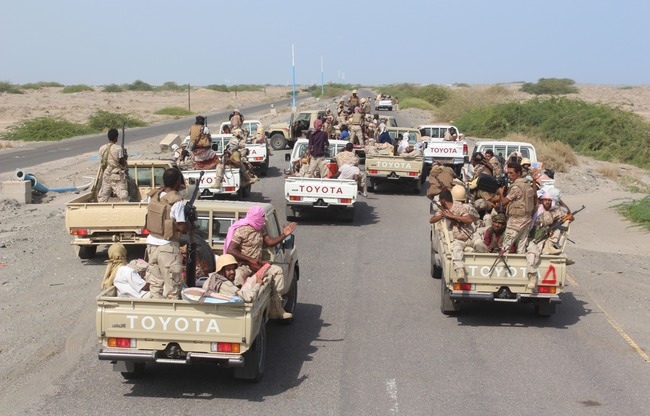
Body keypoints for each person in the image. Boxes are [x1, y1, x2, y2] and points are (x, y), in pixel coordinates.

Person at [225, 205, 297, 319]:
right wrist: (249, 259)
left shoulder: (260, 228)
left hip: (258, 266)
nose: (263, 218)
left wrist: (284, 235)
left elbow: (270, 242)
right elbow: (231, 249)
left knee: (277, 271)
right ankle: (236, 311)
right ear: (255, 217)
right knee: (237, 277)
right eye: (262, 216)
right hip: (245, 265)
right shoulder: (242, 230)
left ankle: (276, 308)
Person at [144, 168, 187, 299]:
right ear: (177, 182)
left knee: (155, 286)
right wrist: (189, 223)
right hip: (167, 247)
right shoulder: (176, 201)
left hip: (151, 244)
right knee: (172, 288)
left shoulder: (153, 196)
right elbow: (182, 227)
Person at [497, 162, 538, 286]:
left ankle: (504, 277)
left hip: (515, 221)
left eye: (511, 173)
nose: (509, 175)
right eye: (508, 173)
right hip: (526, 220)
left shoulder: (516, 187)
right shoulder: (527, 185)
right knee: (521, 249)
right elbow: (535, 198)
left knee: (505, 248)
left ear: (519, 173)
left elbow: (504, 202)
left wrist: (500, 193)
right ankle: (523, 276)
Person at [429, 187, 479, 282]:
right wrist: (442, 215)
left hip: (470, 235)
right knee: (455, 250)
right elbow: (431, 220)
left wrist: (453, 216)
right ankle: (460, 272)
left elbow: (468, 220)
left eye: (440, 200)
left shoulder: (459, 207)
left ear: (443, 200)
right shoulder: (443, 210)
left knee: (479, 244)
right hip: (459, 239)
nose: (440, 202)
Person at [98, 128, 129, 202]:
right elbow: (123, 163)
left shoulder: (102, 148)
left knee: (103, 197)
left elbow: (102, 162)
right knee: (123, 196)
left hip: (106, 175)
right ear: (116, 137)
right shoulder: (118, 149)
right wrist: (125, 157)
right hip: (116, 176)